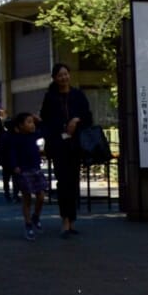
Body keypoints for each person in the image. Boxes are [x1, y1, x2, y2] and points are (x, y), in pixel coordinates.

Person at [39, 63, 95, 239]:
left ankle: (72, 220)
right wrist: (61, 128)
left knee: (73, 182)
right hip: (58, 146)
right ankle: (65, 219)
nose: (64, 78)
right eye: (60, 75)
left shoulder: (78, 95)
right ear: (55, 78)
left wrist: (76, 120)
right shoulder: (50, 97)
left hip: (75, 145)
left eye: (66, 74)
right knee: (63, 183)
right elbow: (45, 121)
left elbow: (88, 117)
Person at [2, 111, 48, 239]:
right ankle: (28, 224)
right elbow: (12, 153)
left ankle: (36, 216)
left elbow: (45, 130)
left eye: (32, 122)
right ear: (20, 125)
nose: (32, 125)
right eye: (28, 122)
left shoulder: (34, 135)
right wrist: (14, 166)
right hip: (23, 170)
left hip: (35, 168)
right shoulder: (15, 138)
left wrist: (39, 120)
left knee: (41, 196)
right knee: (26, 198)